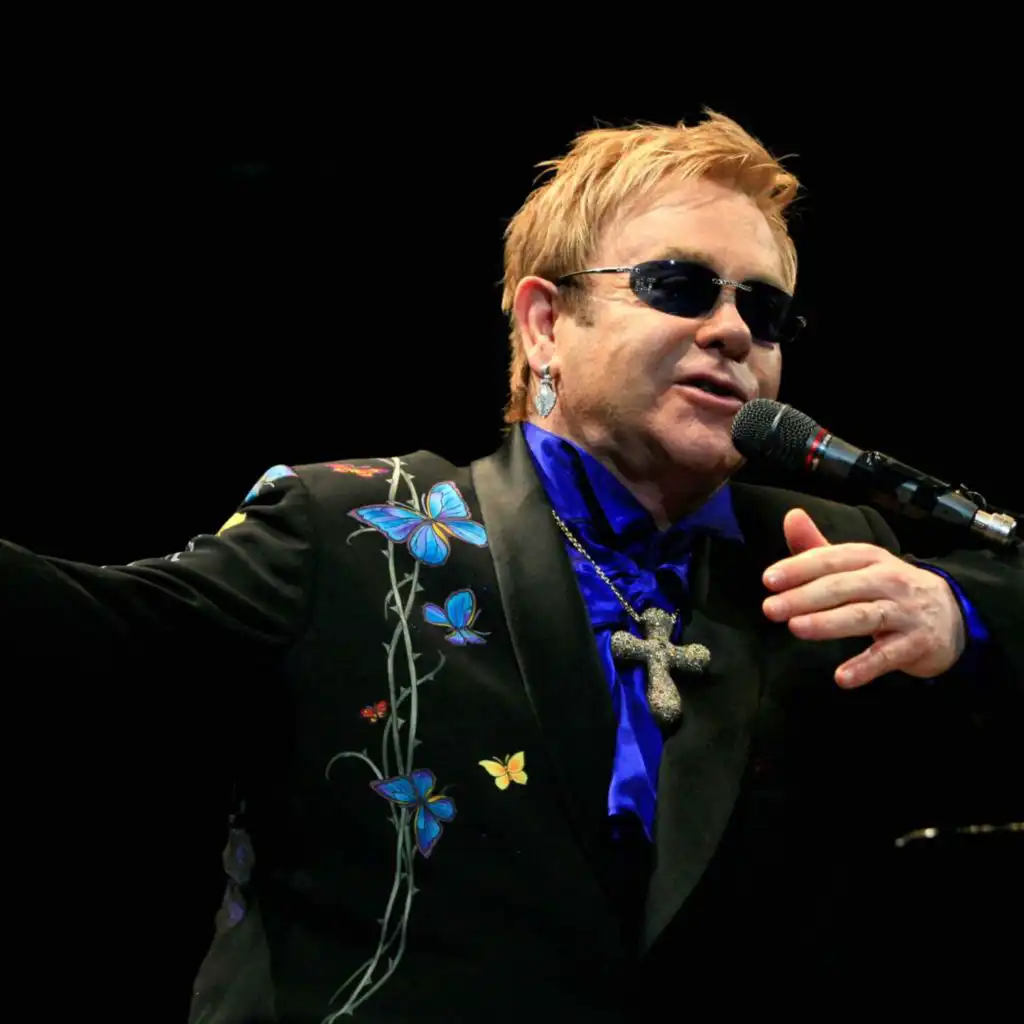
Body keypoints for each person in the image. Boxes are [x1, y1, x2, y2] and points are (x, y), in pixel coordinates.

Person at [2, 111, 1021, 1023]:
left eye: (764, 312)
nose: (730, 331)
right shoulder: (359, 528)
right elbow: (91, 636)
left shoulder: (828, 555)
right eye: (678, 286)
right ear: (543, 324)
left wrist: (956, 614)